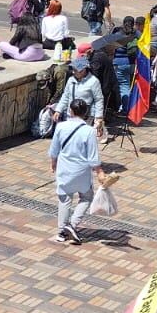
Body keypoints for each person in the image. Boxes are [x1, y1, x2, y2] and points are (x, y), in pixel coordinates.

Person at [51, 99, 104, 245]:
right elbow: (93, 157)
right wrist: (99, 171)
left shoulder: (61, 127)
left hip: (64, 169)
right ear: (86, 113)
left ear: (70, 111)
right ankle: (72, 224)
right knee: (87, 197)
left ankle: (62, 231)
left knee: (64, 199)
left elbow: (54, 150)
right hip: (81, 171)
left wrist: (53, 164)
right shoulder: (89, 131)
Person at [52, 56, 106, 138]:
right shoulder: (71, 80)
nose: (73, 72)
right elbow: (65, 96)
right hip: (70, 114)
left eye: (75, 70)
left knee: (82, 137)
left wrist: (98, 117)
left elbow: (99, 100)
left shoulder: (93, 81)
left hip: (86, 116)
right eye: (73, 69)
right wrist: (58, 110)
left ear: (83, 70)